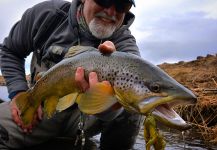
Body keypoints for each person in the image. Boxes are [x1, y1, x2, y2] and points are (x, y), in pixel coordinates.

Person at [0, 0, 143, 149]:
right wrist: (18, 92)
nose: (111, 12)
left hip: (88, 117)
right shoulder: (47, 15)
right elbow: (10, 51)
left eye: (122, 5)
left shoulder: (126, 47)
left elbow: (122, 106)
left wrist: (105, 104)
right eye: (104, 0)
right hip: (43, 111)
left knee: (135, 101)